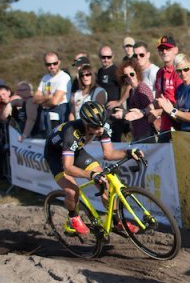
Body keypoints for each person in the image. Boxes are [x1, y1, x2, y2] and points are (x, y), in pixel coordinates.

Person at [44, 101, 143, 235]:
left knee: (105, 182)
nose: (100, 131)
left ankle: (116, 220)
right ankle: (73, 217)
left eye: (101, 126)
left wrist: (128, 152)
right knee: (73, 191)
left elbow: (109, 154)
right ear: (86, 124)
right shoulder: (72, 132)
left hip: (76, 150)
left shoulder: (101, 125)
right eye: (95, 127)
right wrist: (91, 175)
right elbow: (67, 167)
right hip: (55, 154)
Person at [155, 54, 190, 133]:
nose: (183, 73)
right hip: (184, 134)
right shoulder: (180, 89)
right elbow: (180, 118)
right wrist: (167, 110)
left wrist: (172, 111)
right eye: (179, 71)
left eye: (186, 69)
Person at [112, 59, 156, 143]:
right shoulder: (132, 91)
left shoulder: (142, 88)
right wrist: (125, 112)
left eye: (131, 74)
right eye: (126, 76)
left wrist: (125, 113)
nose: (129, 77)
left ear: (137, 73)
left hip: (146, 133)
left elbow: (151, 110)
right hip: (137, 133)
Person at [151, 35, 184, 140]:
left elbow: (182, 103)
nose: (164, 52)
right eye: (161, 49)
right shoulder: (160, 73)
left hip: (180, 122)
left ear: (175, 50)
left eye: (168, 48)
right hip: (165, 123)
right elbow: (158, 98)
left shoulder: (181, 71)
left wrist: (159, 112)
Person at [34, 52, 72, 136]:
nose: (52, 66)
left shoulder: (64, 77)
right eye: (49, 64)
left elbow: (55, 101)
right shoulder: (45, 78)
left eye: (55, 63)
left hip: (59, 116)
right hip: (46, 117)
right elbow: (35, 99)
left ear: (59, 62)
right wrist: (48, 97)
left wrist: (43, 101)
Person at [95, 44, 125, 140]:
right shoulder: (99, 71)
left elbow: (127, 86)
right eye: (104, 57)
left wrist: (119, 102)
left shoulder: (116, 71)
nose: (106, 59)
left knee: (115, 139)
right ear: (99, 57)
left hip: (113, 111)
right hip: (102, 111)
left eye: (109, 57)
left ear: (113, 57)